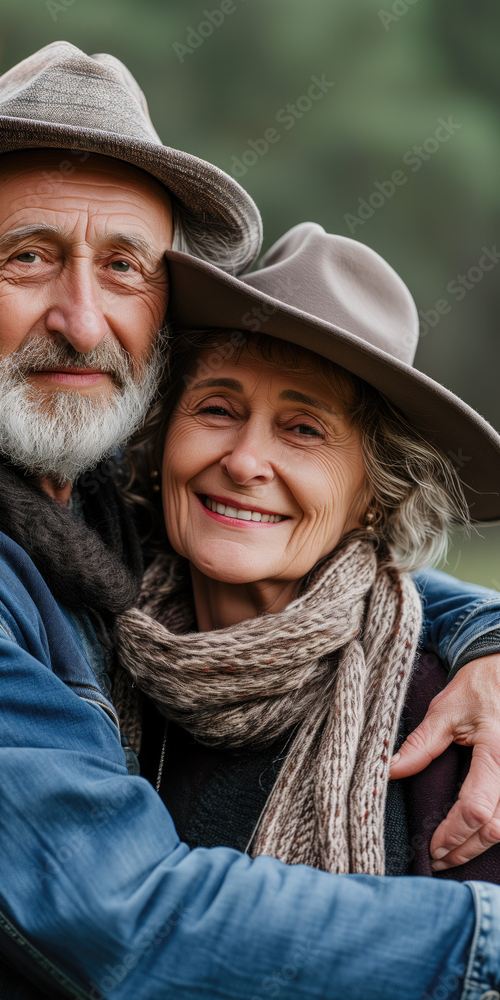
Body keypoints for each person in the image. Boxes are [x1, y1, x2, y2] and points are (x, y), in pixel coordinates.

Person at [0, 38, 500, 999]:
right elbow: (123, 920)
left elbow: (296, 551)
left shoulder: (85, 484)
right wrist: (484, 945)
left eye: (124, 267)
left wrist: (482, 633)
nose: (84, 318)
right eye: (29, 257)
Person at [113, 221, 500, 882]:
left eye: (302, 428)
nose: (243, 462)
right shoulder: (75, 648)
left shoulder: (449, 725)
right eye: (216, 409)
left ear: (373, 496)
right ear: (158, 442)